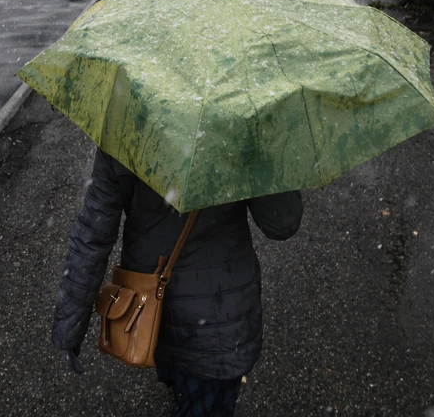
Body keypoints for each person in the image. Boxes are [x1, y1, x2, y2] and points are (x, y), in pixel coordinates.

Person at [51, 149, 304, 416]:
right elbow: (282, 223)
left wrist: (70, 325)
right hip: (223, 319)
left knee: (174, 367)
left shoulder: (123, 127)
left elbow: (92, 235)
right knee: (207, 401)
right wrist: (260, 151)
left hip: (150, 307)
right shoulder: (239, 128)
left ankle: (176, 380)